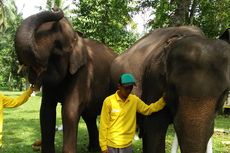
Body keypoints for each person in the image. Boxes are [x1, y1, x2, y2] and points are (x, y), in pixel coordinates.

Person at [99, 73, 166, 153]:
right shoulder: (109, 101)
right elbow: (103, 125)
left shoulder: (134, 100)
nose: (128, 91)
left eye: (131, 88)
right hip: (111, 145)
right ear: (119, 86)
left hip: (127, 145)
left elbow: (148, 110)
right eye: (126, 88)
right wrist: (103, 147)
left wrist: (163, 100)